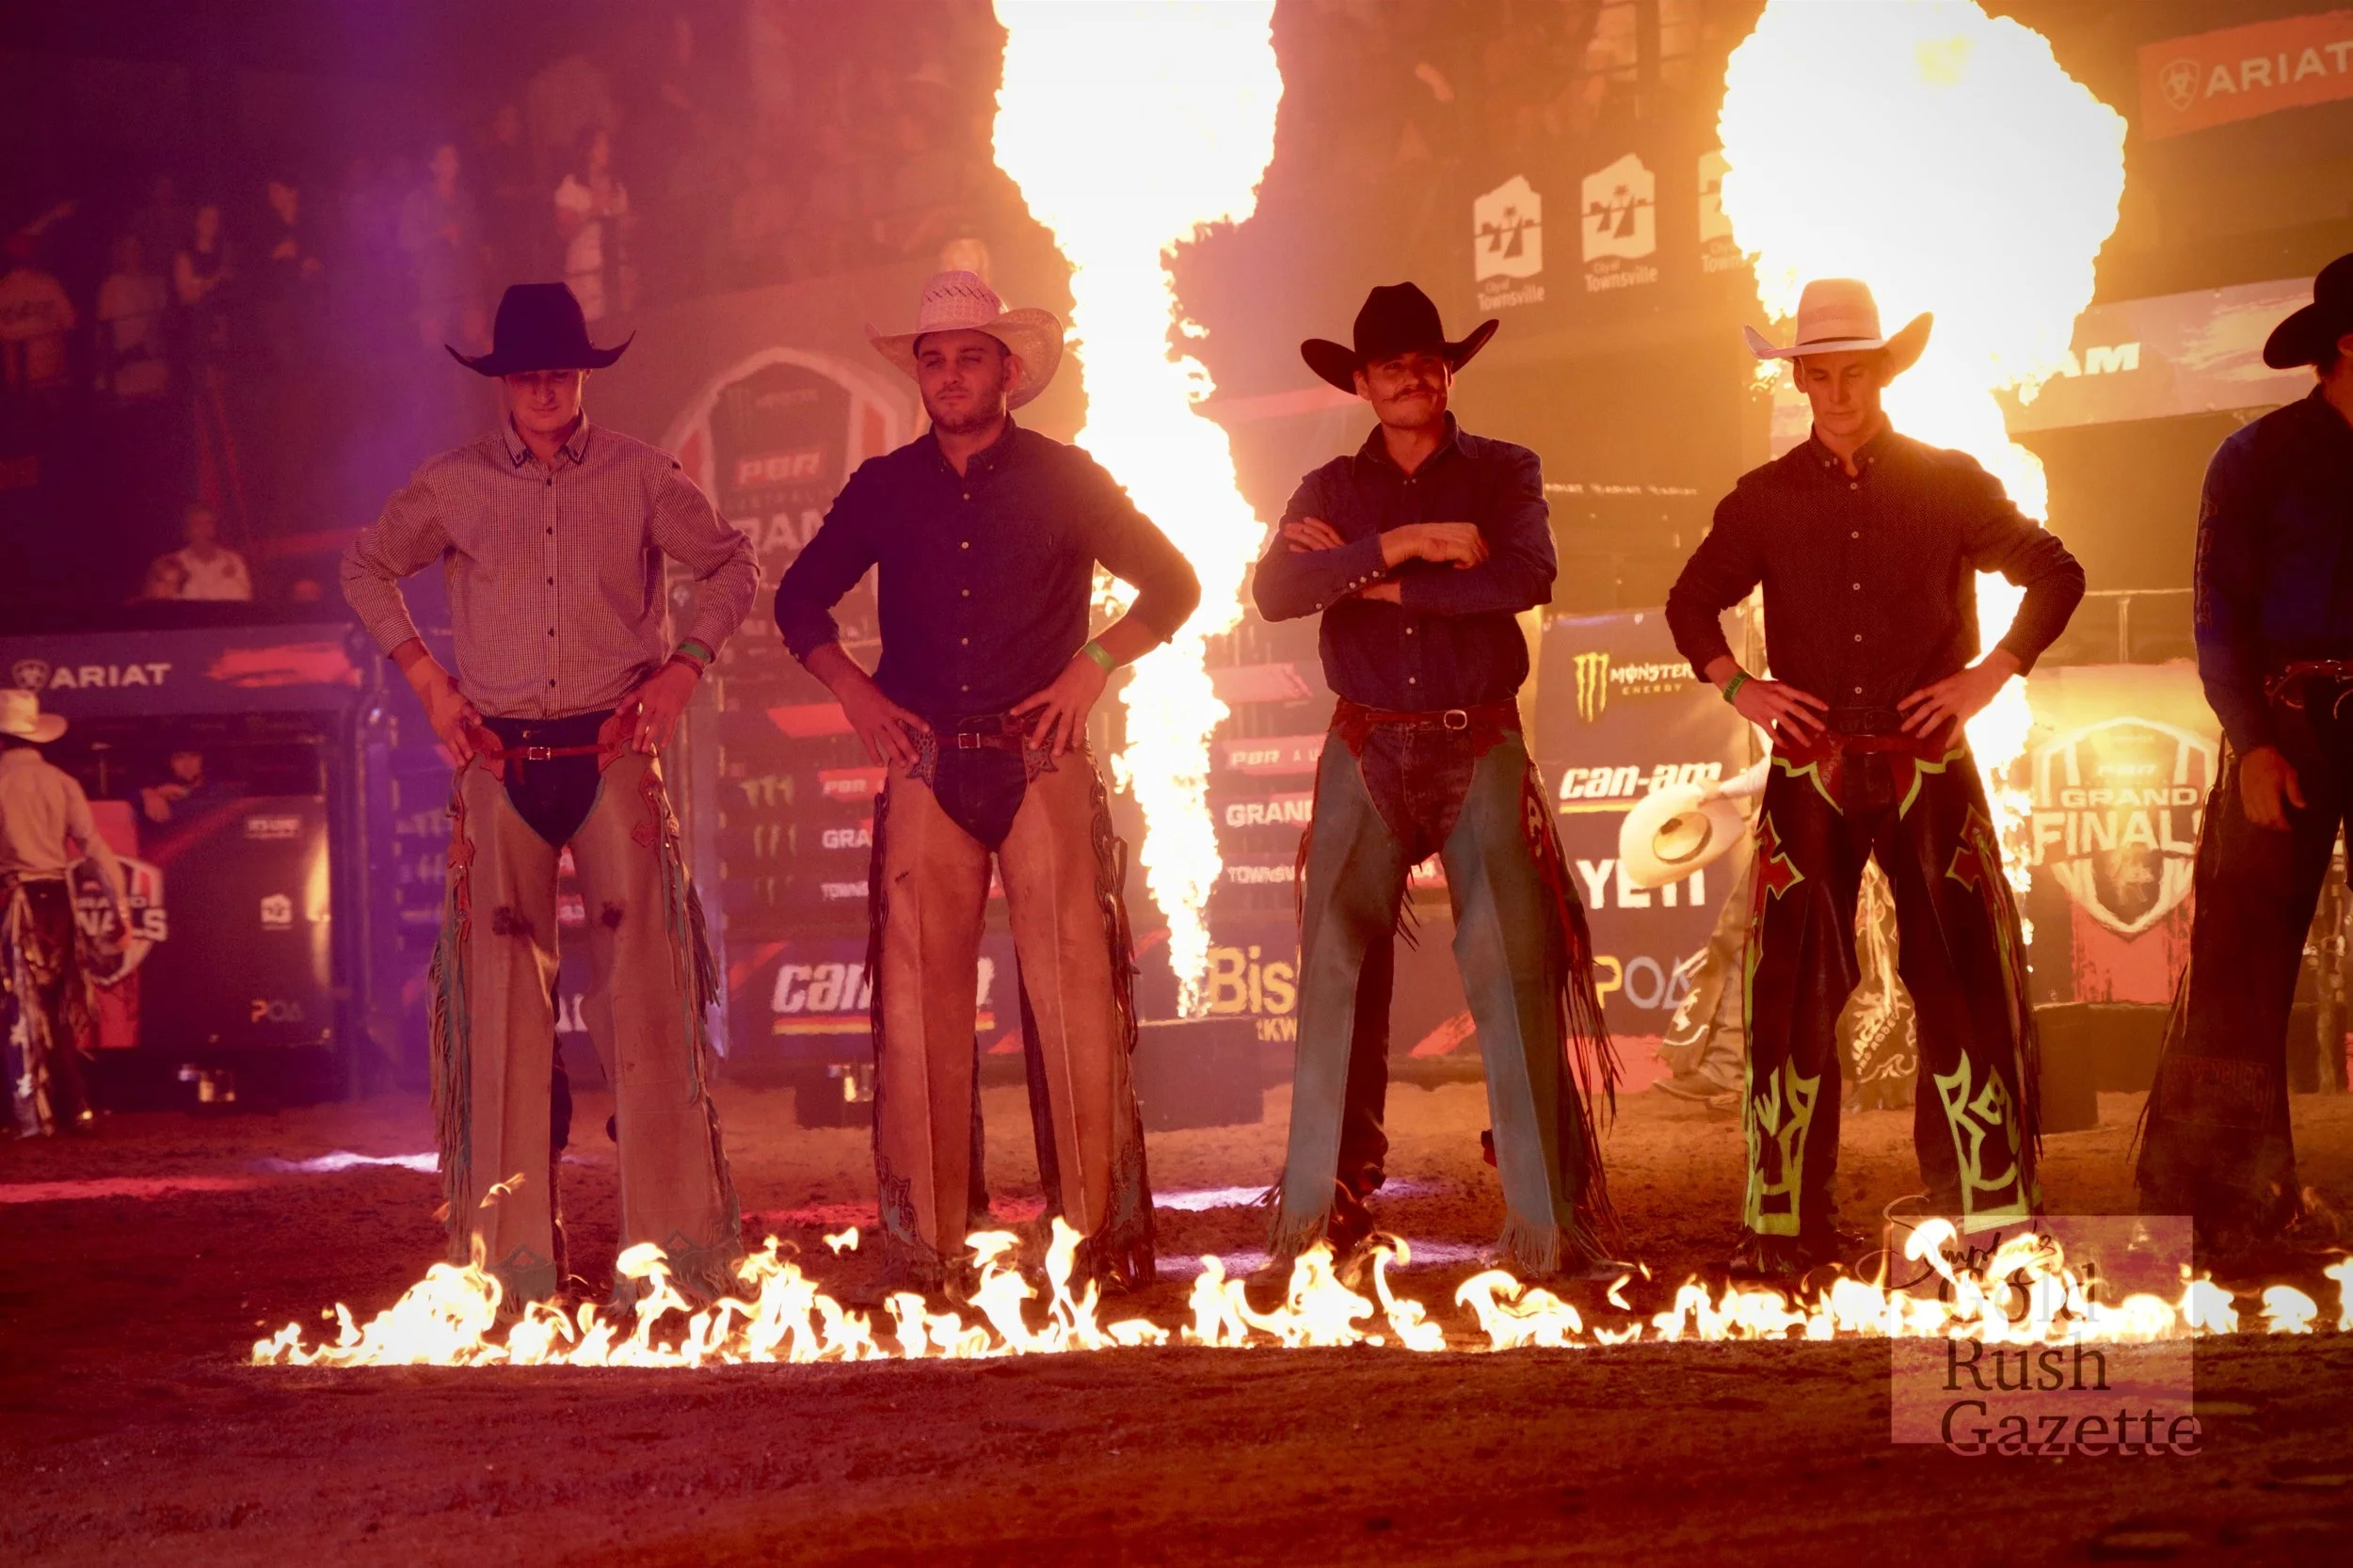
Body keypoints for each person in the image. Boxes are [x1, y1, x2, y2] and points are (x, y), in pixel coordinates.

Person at [773, 271, 1200, 1291]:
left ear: (1009, 371)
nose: (951, 374)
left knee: (1076, 999)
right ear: (919, 375)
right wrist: (855, 694)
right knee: (917, 1009)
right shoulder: (884, 487)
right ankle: (929, 1248)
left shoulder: (1067, 477)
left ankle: (1094, 1242)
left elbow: (1175, 583)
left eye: (970, 357)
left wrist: (1091, 668)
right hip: (926, 762)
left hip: (1037, 754)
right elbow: (797, 602)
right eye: (935, 359)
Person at [341, 282, 759, 1309]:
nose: (545, 390)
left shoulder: (641, 473)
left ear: (581, 376)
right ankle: (511, 1273)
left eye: (560, 373)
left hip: (613, 745)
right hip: (501, 754)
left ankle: (673, 1264)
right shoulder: (453, 484)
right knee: (499, 1014)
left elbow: (731, 564)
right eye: (529, 374)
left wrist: (684, 669)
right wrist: (429, 683)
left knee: (648, 1003)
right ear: (503, 383)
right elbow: (366, 568)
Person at [1664, 278, 2084, 1275]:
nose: (1839, 390)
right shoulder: (1762, 499)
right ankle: (1783, 1227)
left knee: (1962, 980)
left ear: (1884, 373)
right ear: (1800, 381)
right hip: (1809, 764)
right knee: (1790, 993)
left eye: (1856, 371)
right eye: (1821, 374)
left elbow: (2055, 573)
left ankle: (1986, 1217)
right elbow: (1689, 602)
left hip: (1926, 758)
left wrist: (1989, 674)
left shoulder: (1948, 481)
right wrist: (1740, 687)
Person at [1254, 282, 1618, 1277]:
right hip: (1367, 743)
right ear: (1363, 383)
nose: (1412, 377)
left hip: (1475, 738)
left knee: (1511, 964)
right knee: (1331, 965)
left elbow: (1524, 577)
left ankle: (1546, 1226)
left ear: (1448, 372)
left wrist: (1365, 580)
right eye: (1392, 366)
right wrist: (1410, 545)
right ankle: (1316, 1212)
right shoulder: (1330, 484)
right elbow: (1276, 591)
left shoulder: (1504, 470)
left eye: (1427, 361)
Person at [2137, 253, 2353, 1253]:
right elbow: (2216, 613)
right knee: (2241, 958)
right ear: (2345, 345)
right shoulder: (2253, 458)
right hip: (2286, 720)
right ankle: (2228, 1205)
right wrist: (2254, 744)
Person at [2, 691, 129, 1138]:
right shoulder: (61, 782)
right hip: (56, 900)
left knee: (15, 1005)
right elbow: (94, 848)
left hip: (12, 901)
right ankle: (75, 1105)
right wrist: (120, 908)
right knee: (57, 1005)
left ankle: (25, 1113)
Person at [399, 143, 488, 352]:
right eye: (445, 158)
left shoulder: (465, 199)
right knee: (435, 347)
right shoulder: (420, 200)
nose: (452, 163)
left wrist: (475, 246)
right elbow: (406, 239)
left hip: (466, 282)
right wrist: (438, 236)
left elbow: (476, 236)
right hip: (433, 284)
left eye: (454, 157)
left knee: (475, 342)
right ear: (433, 165)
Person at [553, 127, 632, 323]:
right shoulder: (572, 187)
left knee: (621, 324)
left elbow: (625, 230)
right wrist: (593, 211)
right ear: (588, 150)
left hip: (615, 268)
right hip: (586, 271)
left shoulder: (617, 186)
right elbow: (564, 232)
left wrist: (628, 223)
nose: (608, 149)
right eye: (602, 144)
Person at [95, 233, 170, 404]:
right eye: (127, 249)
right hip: (125, 366)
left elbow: (163, 324)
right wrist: (109, 366)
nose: (133, 253)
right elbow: (103, 333)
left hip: (152, 364)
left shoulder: (156, 283)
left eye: (137, 248)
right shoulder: (111, 286)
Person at [0, 232, 76, 396]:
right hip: (52, 375)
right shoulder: (48, 284)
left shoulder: (2, 290)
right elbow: (70, 322)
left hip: (15, 379)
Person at [149, 502, 252, 602]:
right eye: (197, 524)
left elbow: (246, 603)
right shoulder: (171, 563)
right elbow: (157, 605)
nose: (203, 529)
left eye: (209, 523)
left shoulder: (235, 561)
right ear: (186, 531)